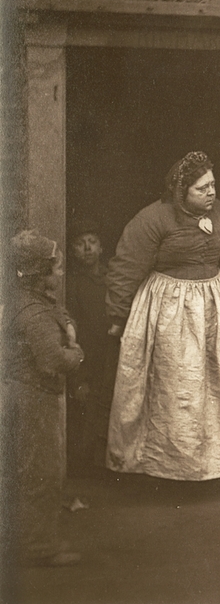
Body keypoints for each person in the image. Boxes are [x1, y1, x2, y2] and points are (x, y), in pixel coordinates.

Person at [105, 151, 220, 481]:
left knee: (216, 384)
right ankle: (167, 467)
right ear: (180, 191)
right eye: (201, 189)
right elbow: (126, 267)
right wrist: (118, 315)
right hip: (170, 307)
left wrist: (219, 250)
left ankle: (213, 465)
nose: (211, 193)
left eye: (212, 185)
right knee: (175, 387)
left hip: (214, 305)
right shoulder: (153, 219)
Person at [4, 230, 84, 566]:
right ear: (41, 273)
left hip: (28, 393)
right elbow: (53, 361)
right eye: (57, 269)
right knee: (42, 473)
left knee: (32, 470)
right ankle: (39, 547)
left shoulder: (29, 300)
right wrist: (76, 352)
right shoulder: (34, 315)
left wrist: (66, 323)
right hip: (34, 398)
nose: (61, 273)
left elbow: (58, 312)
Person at [65, 219, 113, 474]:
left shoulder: (112, 278)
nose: (87, 249)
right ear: (71, 251)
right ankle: (86, 471)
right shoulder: (71, 284)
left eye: (92, 242)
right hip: (86, 355)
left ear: (101, 247)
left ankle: (107, 467)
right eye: (80, 244)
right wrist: (78, 377)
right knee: (85, 409)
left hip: (110, 353)